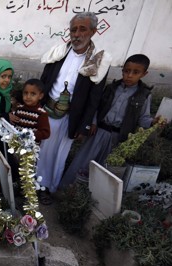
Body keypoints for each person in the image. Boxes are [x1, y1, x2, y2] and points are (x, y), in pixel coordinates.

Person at [36, 11, 112, 205]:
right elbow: (45, 81)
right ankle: (33, 184)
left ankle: (48, 188)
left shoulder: (99, 61)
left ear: (93, 31)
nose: (76, 34)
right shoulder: (58, 52)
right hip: (48, 110)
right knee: (40, 150)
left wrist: (84, 125)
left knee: (58, 154)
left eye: (82, 29)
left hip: (71, 117)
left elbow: (95, 98)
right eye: (73, 29)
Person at [59, 54, 158, 188]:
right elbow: (96, 106)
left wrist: (153, 122)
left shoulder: (144, 95)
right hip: (98, 131)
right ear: (122, 70)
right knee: (83, 161)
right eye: (127, 71)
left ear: (144, 74)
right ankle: (67, 189)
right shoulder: (112, 88)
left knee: (103, 168)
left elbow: (143, 118)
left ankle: (89, 196)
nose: (129, 75)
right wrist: (93, 122)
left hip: (117, 137)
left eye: (135, 72)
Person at [9, 78, 50, 143]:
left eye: (33, 94)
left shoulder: (41, 113)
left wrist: (30, 135)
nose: (28, 96)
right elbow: (14, 123)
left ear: (40, 96)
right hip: (16, 143)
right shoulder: (19, 109)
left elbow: (46, 133)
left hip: (30, 148)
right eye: (25, 93)